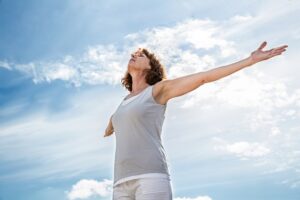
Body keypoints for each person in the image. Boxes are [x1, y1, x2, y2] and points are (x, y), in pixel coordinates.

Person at [103, 41, 288, 200]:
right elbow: (118, 117)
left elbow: (203, 78)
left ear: (151, 67)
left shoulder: (159, 90)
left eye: (141, 55)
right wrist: (110, 126)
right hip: (120, 181)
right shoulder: (124, 102)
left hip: (150, 176)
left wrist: (250, 60)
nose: (134, 55)